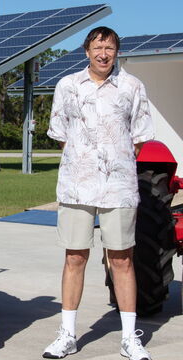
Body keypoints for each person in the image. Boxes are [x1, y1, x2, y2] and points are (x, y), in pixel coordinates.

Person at [44, 26, 154, 360]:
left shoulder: (132, 87)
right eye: (97, 47)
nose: (103, 53)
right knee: (75, 257)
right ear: (86, 51)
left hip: (118, 189)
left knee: (121, 259)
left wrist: (113, 163)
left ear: (116, 51)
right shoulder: (68, 86)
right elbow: (61, 134)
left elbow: (139, 137)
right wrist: (85, 161)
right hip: (77, 187)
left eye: (109, 47)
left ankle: (129, 339)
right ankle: (67, 335)